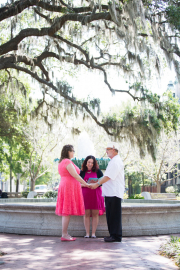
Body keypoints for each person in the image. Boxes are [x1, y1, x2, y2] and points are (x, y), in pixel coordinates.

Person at [89, 142, 125, 242]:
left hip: (113, 193)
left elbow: (108, 177)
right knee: (111, 215)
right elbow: (107, 176)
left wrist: (97, 184)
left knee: (114, 215)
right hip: (110, 192)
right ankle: (113, 235)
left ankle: (115, 236)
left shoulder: (115, 161)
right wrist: (96, 181)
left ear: (113, 149)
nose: (106, 151)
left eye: (108, 149)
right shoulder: (113, 161)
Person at [55, 144, 90, 241]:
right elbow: (75, 176)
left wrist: (81, 185)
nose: (74, 152)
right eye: (72, 151)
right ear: (68, 152)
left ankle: (65, 233)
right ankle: (64, 234)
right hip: (68, 187)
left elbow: (70, 177)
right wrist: (86, 183)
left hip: (65, 186)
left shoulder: (61, 162)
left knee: (66, 212)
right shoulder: (67, 161)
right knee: (66, 212)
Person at [80, 155, 105, 238]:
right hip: (85, 194)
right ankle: (87, 233)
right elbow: (78, 184)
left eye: (92, 163)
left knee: (95, 214)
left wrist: (96, 184)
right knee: (86, 214)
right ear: (86, 163)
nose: (90, 164)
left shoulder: (98, 171)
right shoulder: (82, 172)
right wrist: (86, 185)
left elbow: (102, 182)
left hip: (96, 195)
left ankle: (93, 233)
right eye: (89, 162)